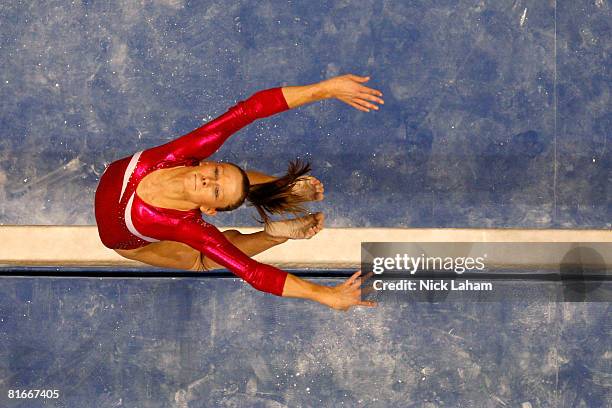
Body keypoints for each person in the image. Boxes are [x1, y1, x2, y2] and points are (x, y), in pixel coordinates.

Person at [94, 74, 383, 311]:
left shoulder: (188, 226)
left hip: (126, 239)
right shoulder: (185, 152)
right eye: (214, 172)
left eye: (214, 192)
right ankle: (280, 188)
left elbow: (252, 272)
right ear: (206, 162)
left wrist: (325, 295)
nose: (207, 181)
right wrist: (325, 89)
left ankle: (275, 232)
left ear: (207, 211)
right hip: (138, 201)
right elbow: (250, 109)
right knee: (235, 184)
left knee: (201, 260)